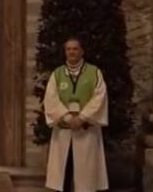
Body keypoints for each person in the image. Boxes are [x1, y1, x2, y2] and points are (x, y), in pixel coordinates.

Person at [43, 37, 109, 192]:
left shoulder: (94, 72)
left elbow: (99, 97)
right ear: (65, 52)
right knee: (63, 172)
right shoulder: (57, 74)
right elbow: (51, 99)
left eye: (75, 49)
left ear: (81, 51)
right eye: (68, 49)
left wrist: (82, 117)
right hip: (64, 131)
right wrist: (67, 117)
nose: (71, 52)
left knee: (85, 175)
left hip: (86, 130)